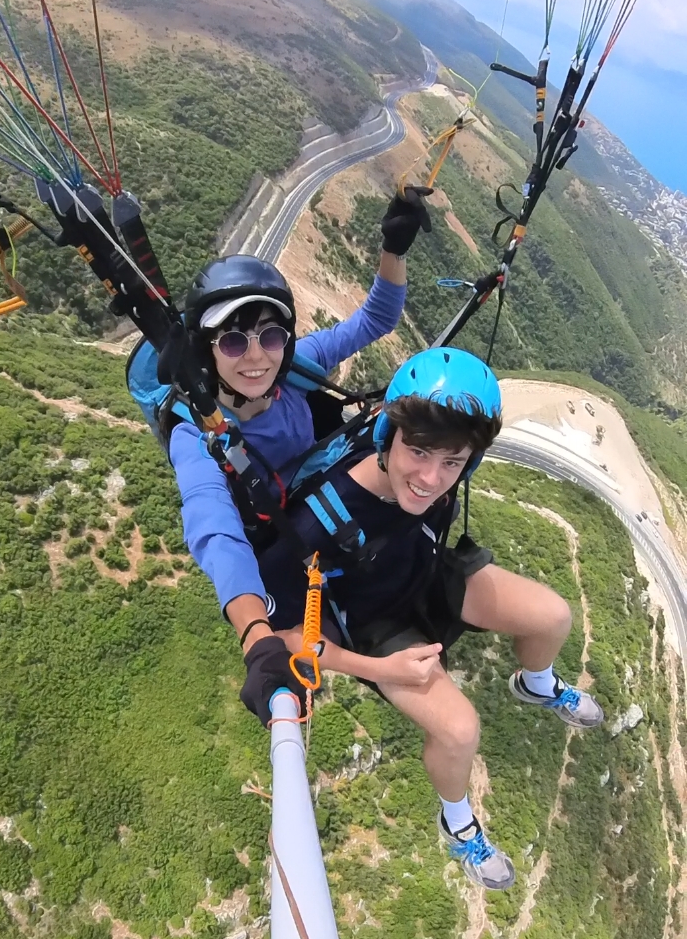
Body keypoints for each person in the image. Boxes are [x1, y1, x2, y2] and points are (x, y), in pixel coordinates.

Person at [172, 211, 605, 892]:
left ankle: (536, 683)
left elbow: (375, 319)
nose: (256, 354)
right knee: (459, 731)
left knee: (550, 616)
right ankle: (458, 822)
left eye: (270, 334)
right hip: (361, 604)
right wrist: (348, 659)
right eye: (233, 342)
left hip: (414, 565)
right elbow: (218, 535)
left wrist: (392, 247)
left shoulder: (302, 375)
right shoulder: (227, 457)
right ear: (207, 351)